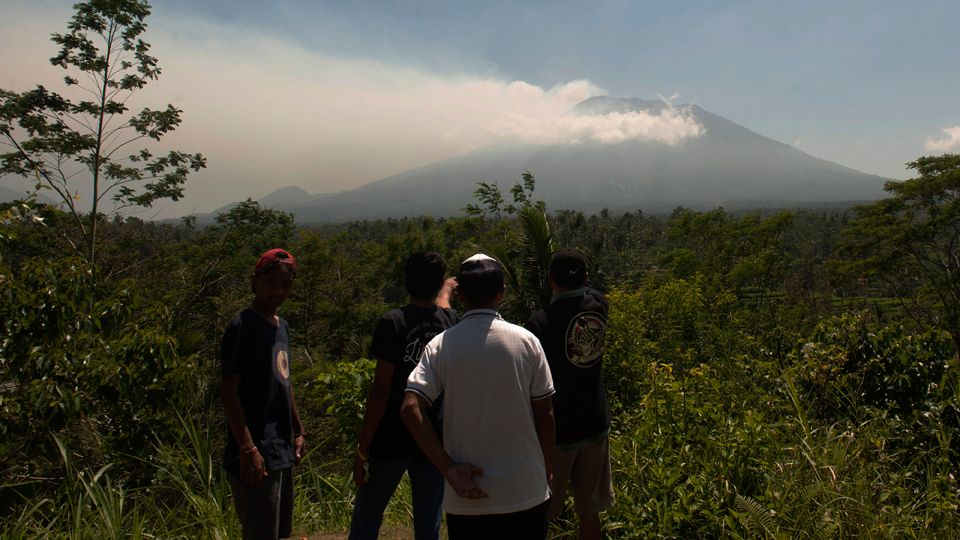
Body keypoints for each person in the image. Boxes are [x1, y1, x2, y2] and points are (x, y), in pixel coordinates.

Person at [401, 254, 556, 540]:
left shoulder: (441, 346)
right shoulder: (526, 342)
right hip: (523, 489)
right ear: (502, 293)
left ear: (459, 296)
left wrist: (447, 468)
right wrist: (545, 471)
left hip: (466, 496)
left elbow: (411, 408)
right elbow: (545, 415)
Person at [348, 251, 459, 540]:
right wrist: (446, 288)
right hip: (433, 438)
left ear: (406, 281)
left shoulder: (393, 322)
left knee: (367, 520)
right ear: (437, 285)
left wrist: (363, 449)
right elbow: (443, 306)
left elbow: (382, 390)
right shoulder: (449, 321)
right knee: (428, 525)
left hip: (390, 438)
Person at [525, 248, 615, 540]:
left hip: (556, 433)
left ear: (550, 279)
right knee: (589, 510)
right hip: (595, 425)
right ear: (586, 277)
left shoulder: (539, 323)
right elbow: (590, 288)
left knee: (539, 510)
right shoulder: (599, 305)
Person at [221, 248, 307, 540]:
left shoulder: (281, 326)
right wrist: (247, 449)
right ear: (255, 281)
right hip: (256, 453)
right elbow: (229, 390)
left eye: (286, 284)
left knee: (280, 532)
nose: (278, 290)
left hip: (280, 447)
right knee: (260, 531)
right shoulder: (242, 327)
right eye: (271, 282)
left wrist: (298, 430)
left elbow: (284, 382)